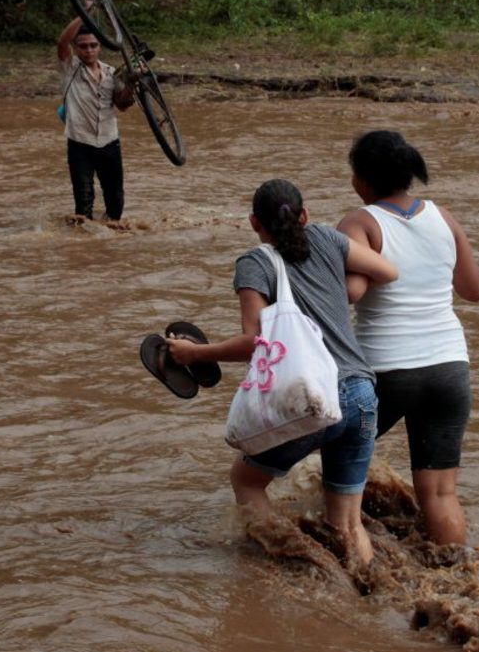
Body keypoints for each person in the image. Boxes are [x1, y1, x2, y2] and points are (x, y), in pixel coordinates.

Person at [167, 179, 398, 567]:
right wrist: (344, 293)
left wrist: (193, 353)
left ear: (255, 223)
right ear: (304, 215)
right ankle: (365, 596)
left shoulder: (254, 263)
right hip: (361, 393)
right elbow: (388, 270)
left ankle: (303, 567)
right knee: (348, 523)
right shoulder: (328, 239)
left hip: (311, 398)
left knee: (246, 481)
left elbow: (254, 342)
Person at [337, 130, 479, 545]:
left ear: (362, 179)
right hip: (449, 367)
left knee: (327, 455)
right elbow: (473, 290)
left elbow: (353, 293)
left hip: (387, 369)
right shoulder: (443, 217)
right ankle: (457, 581)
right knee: (440, 492)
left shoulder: (359, 222)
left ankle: (348, 555)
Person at [56, 16, 136, 227]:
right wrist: (85, 13)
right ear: (76, 47)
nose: (89, 50)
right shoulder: (70, 69)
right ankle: (84, 244)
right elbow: (61, 43)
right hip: (80, 143)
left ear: (100, 47)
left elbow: (123, 105)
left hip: (109, 142)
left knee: (116, 203)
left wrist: (132, 84)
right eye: (83, 46)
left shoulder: (111, 73)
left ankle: (107, 240)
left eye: (93, 45)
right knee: (83, 205)